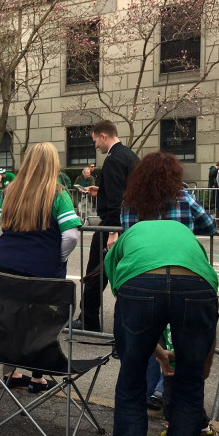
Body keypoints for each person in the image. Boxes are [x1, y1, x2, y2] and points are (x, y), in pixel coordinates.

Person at [105, 221, 218, 436]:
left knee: (131, 381)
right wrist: (205, 364)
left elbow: (132, 319)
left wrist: (155, 354)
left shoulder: (124, 240)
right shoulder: (187, 237)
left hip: (139, 284)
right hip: (197, 287)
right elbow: (210, 314)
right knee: (189, 386)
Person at [114, 151, 217, 436]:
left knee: (131, 379)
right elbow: (210, 226)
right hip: (191, 279)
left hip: (141, 279)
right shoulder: (184, 198)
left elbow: (125, 250)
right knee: (189, 379)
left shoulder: (130, 204)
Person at [0, 143, 82, 392]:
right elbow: (71, 236)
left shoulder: (10, 191)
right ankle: (37, 377)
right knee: (41, 322)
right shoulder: (58, 194)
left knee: (11, 318)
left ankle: (10, 373)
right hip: (42, 268)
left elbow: (0, 227)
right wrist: (59, 258)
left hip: (6, 263)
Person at [73, 120, 138, 331]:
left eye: (95, 141)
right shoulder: (128, 156)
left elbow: (118, 198)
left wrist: (112, 231)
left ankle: (88, 320)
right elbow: (123, 190)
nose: (95, 147)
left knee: (95, 273)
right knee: (121, 274)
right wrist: (100, 191)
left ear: (103, 136)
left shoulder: (112, 160)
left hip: (113, 226)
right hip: (129, 225)